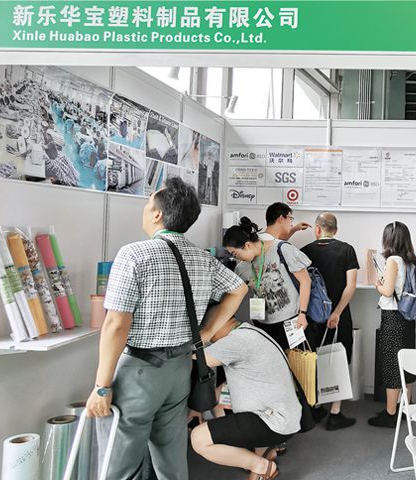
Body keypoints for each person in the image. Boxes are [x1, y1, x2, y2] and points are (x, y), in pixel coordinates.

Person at [85, 177, 247, 480]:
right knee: (170, 460)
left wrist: (102, 386)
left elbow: (116, 324)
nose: (145, 209)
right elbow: (238, 289)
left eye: (148, 203)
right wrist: (207, 332)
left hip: (140, 372)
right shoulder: (202, 258)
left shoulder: (134, 254)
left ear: (158, 214)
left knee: (119, 464)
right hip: (180, 370)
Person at [191, 317, 301, 480]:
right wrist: (196, 408)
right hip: (285, 416)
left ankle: (261, 466)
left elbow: (195, 361)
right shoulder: (249, 331)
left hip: (273, 422)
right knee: (219, 398)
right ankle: (264, 452)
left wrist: (200, 337)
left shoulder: (237, 340)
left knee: (198, 438)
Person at [301, 212, 359, 430]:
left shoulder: (304, 251)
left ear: (317, 229)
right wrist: (337, 312)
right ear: (335, 230)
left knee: (312, 359)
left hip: (311, 316)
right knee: (340, 359)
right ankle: (335, 412)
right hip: (338, 316)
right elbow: (351, 286)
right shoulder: (347, 250)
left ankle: (315, 406)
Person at [223, 216, 311, 351]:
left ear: (247, 245)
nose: (236, 258)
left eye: (235, 254)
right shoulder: (242, 267)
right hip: (263, 324)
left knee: (296, 362)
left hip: (291, 320)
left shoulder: (282, 249)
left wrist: (302, 313)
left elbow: (305, 281)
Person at [368, 221, 416, 428]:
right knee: (406, 364)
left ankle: (390, 414)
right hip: (408, 317)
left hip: (393, 317)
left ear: (388, 239)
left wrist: (377, 285)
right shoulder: (411, 260)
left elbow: (388, 291)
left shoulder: (393, 261)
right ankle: (405, 410)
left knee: (391, 365)